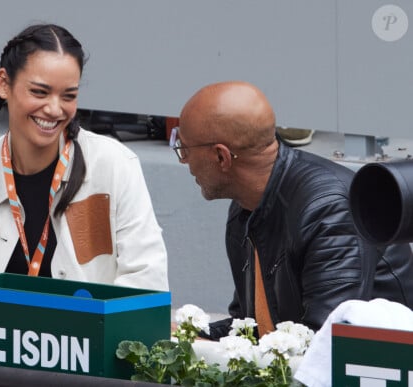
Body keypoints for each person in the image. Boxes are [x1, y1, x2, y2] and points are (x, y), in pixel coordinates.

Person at [0, 24, 168, 310]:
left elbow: (146, 281)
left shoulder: (115, 165)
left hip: (86, 346)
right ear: (4, 84)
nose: (55, 109)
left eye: (68, 96)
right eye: (40, 92)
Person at [175, 80, 413, 339]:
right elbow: (250, 328)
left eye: (184, 149)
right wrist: (191, 336)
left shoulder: (330, 209)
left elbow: (326, 343)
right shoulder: (245, 207)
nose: (184, 161)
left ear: (221, 157)